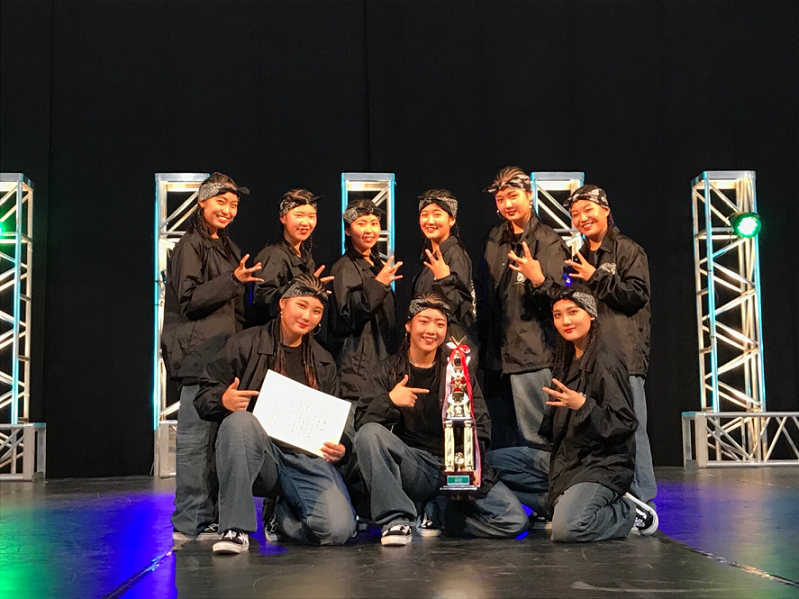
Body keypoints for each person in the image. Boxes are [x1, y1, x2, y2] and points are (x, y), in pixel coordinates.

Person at [195, 274, 356, 555]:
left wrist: (343, 446)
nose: (307, 316)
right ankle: (235, 528)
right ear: (283, 303)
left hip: (305, 459)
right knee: (240, 422)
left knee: (337, 530)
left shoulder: (323, 360)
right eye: (301, 305)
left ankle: (282, 516)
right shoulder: (246, 344)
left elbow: (335, 418)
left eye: (316, 311)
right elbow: (202, 396)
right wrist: (223, 400)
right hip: (260, 455)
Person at [353, 294, 528, 546]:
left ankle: (436, 512)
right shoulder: (386, 370)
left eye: (439, 324)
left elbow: (480, 422)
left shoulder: (457, 370)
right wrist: (390, 400)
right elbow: (363, 425)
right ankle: (396, 520)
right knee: (370, 434)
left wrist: (471, 466)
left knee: (513, 521)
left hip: (456, 467)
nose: (431, 330)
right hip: (415, 467)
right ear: (408, 325)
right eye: (424, 321)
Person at [488, 286, 640, 542]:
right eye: (558, 315)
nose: (565, 321)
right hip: (566, 458)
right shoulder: (565, 357)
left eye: (573, 312)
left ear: (591, 314)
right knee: (487, 465)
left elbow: (624, 423)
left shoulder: (606, 360)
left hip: (600, 464)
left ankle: (626, 512)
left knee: (568, 528)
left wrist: (583, 405)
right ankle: (558, 505)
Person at [161, 172, 262, 542]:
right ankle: (190, 520)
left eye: (234, 205)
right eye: (221, 202)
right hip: (197, 358)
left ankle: (217, 517)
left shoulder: (230, 248)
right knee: (195, 444)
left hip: (224, 359)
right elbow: (189, 299)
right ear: (202, 202)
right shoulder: (190, 245)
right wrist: (233, 280)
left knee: (221, 444)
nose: (228, 210)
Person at [563, 185, 656, 507]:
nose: (582, 218)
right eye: (575, 214)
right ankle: (612, 498)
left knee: (631, 428)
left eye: (588, 210)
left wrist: (596, 276)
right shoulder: (580, 256)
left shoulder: (627, 249)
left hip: (624, 357)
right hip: (590, 359)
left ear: (605, 210)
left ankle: (644, 503)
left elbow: (636, 296)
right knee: (597, 427)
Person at [476, 166, 569, 449]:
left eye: (513, 196)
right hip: (495, 359)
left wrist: (538, 279)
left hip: (532, 355)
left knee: (536, 439)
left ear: (529, 195)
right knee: (499, 443)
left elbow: (563, 301)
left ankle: (545, 481)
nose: (507, 204)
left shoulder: (548, 240)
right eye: (500, 199)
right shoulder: (493, 239)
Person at [330, 199, 401, 403]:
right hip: (357, 371)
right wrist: (378, 285)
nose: (369, 229)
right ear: (347, 230)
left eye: (374, 223)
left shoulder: (376, 263)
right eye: (361, 223)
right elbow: (348, 314)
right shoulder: (345, 267)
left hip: (379, 362)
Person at [251, 189, 332, 325]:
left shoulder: (306, 256)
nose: (305, 223)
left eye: (311, 216)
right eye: (299, 215)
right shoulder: (273, 255)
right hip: (274, 332)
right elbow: (263, 300)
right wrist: (300, 288)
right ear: (283, 217)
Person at [411, 189, 477, 351]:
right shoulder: (429, 254)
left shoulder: (455, 255)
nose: (429, 221)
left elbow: (463, 309)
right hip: (429, 343)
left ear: (452, 220)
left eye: (437, 214)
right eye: (424, 215)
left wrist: (444, 280)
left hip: (448, 346)